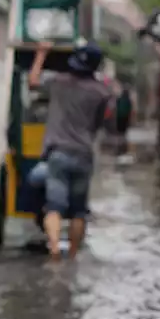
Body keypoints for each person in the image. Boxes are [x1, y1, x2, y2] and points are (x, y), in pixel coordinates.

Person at [28, 40, 112, 260]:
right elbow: (98, 123)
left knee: (54, 206)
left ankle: (54, 247)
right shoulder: (102, 92)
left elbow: (33, 82)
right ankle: (72, 254)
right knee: (78, 210)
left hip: (58, 153)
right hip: (84, 153)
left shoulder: (58, 82)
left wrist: (41, 54)